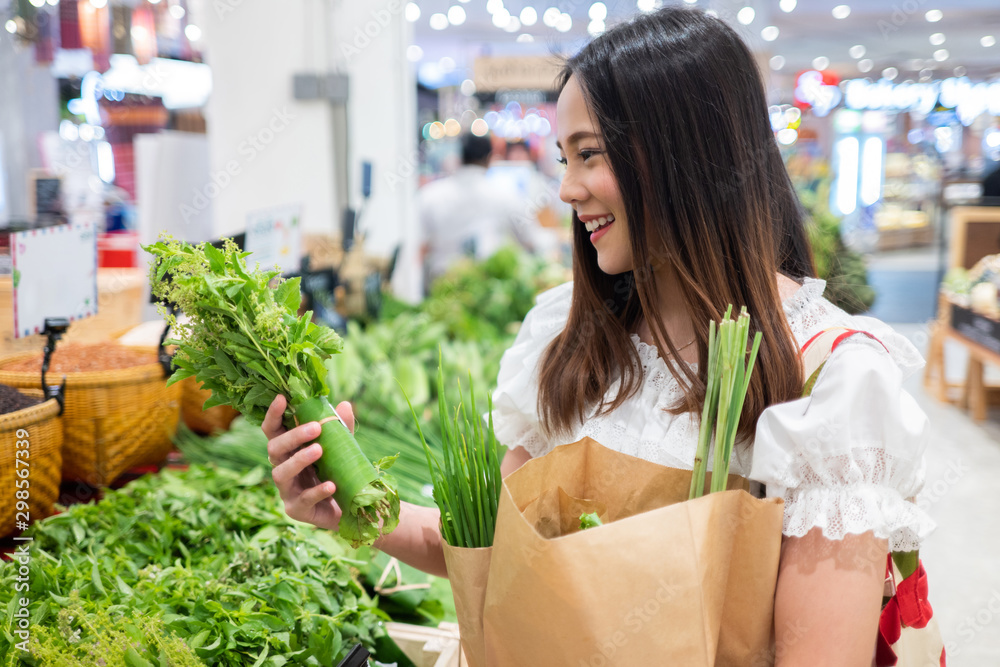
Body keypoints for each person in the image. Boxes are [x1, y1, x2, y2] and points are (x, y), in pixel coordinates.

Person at [264, 7, 933, 664]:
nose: (566, 188)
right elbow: (501, 553)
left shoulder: (832, 381)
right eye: (563, 157)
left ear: (687, 155)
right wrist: (356, 503)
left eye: (590, 154)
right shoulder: (569, 337)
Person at [417, 132, 554, 288]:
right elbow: (531, 240)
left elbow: (420, 248)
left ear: (460, 158)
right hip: (489, 291)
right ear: (490, 158)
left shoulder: (430, 195)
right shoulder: (505, 195)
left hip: (441, 289)